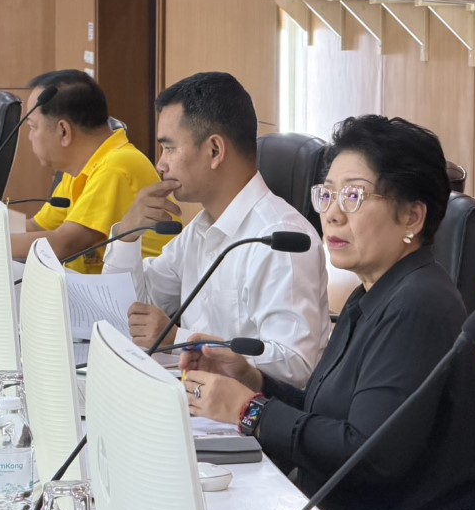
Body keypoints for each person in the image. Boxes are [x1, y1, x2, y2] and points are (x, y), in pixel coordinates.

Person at [179, 114, 475, 510]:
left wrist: (249, 410)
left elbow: (366, 454)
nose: (332, 214)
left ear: (412, 217)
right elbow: (329, 415)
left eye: (354, 196)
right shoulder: (373, 292)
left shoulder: (419, 307)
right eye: (327, 195)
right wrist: (253, 381)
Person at [102, 72, 330, 388]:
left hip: (249, 416)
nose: (160, 165)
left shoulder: (279, 239)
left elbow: (295, 365)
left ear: (214, 151)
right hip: (194, 398)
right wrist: (128, 235)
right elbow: (132, 311)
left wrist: (178, 339)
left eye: (169, 148)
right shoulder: (201, 228)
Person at [11, 70, 171, 273]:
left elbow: (64, 245)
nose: (30, 137)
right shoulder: (81, 166)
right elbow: (37, 227)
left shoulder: (116, 166)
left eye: (33, 127)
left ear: (63, 131)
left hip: (142, 290)